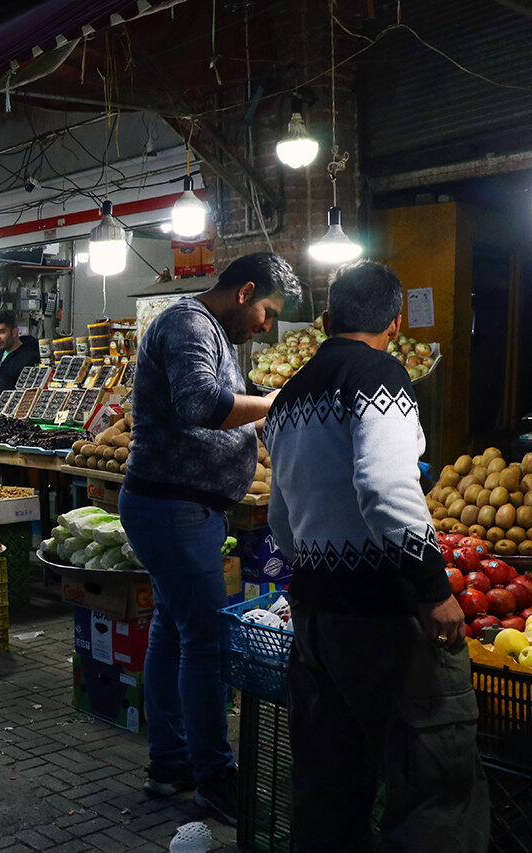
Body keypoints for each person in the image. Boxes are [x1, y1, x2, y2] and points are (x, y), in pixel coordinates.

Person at [263, 260, 487, 851]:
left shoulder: (286, 398)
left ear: (328, 319)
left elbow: (280, 517)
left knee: (328, 784)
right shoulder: (381, 376)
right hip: (385, 621)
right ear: (393, 323)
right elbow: (385, 487)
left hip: (316, 620)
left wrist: (311, 576)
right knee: (429, 784)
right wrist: (434, 591)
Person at [119, 251, 300, 825]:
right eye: (268, 312)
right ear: (246, 292)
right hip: (172, 509)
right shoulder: (188, 324)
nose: (266, 326)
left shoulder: (213, 333)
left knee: (175, 630)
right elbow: (201, 405)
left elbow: (224, 406)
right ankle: (213, 775)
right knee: (207, 642)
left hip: (181, 509)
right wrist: (271, 403)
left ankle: (170, 764)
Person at [0, 310, 41, 405]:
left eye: (1, 332)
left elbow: (28, 395)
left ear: (14, 332)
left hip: (10, 417)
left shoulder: (29, 357)